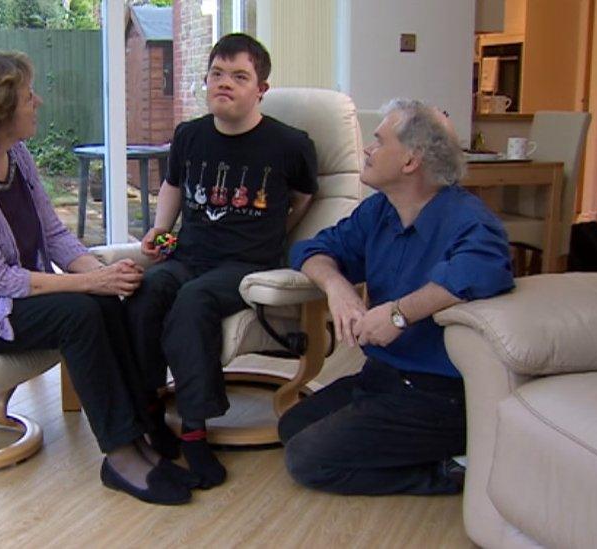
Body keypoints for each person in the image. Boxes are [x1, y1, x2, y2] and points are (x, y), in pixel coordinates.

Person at [0, 50, 196, 505]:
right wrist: (88, 284)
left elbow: (54, 236)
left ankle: (143, 433)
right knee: (79, 311)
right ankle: (120, 454)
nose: (38, 102)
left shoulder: (15, 154)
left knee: (102, 299)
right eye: (27, 96)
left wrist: (104, 274)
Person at [279, 99, 515, 495]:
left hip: (440, 395)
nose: (368, 150)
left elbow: (484, 270)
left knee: (308, 459)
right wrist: (337, 288)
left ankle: (449, 470)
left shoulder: (468, 219)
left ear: (410, 161)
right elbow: (310, 250)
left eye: (378, 140)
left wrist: (400, 314)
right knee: (292, 426)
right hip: (384, 377)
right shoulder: (379, 212)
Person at [126, 34, 318, 489]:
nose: (224, 84)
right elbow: (173, 184)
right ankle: (151, 408)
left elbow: (304, 198)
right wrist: (159, 229)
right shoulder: (189, 135)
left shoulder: (290, 144)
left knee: (193, 302)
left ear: (261, 89)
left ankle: (193, 431)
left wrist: (276, 233)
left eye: (239, 76)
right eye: (216, 74)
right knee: (147, 291)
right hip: (190, 254)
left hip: (247, 264)